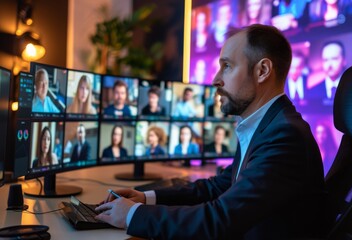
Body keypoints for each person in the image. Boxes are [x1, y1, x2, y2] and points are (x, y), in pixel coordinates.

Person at [95, 24, 326, 239]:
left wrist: (131, 215)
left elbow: (219, 220)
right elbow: (217, 187)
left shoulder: (284, 136)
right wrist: (146, 198)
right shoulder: (267, 126)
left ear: (263, 71)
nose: (215, 80)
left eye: (227, 66)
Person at [310, 41, 346, 105]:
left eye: (334, 59)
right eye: (325, 60)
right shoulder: (313, 92)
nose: (329, 65)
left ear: (344, 61)